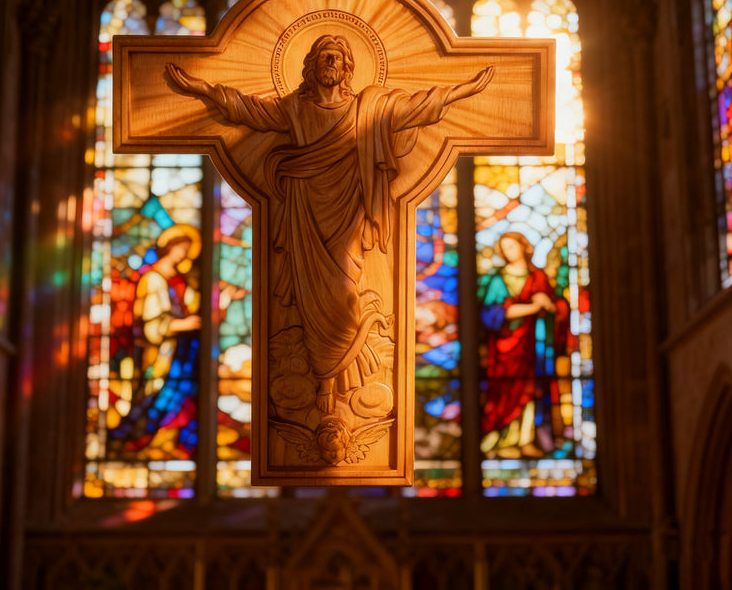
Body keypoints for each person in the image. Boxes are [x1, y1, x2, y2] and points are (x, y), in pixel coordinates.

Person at [167, 34, 493, 413]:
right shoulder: (294, 109)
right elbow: (247, 110)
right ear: (311, 65)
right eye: (325, 58)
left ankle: (339, 373)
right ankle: (325, 382)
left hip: (347, 214)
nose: (332, 65)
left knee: (343, 291)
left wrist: (460, 92)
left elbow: (414, 109)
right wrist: (202, 88)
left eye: (338, 58)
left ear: (348, 67)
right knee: (310, 299)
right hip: (304, 213)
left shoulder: (368, 108)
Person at [109, 224, 202, 457]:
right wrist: (184, 325)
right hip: (158, 352)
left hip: (179, 352)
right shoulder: (153, 278)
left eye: (186, 249)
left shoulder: (178, 280)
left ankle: (165, 439)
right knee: (152, 393)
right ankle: (132, 438)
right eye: (180, 248)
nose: (183, 254)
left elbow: (192, 308)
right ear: (168, 247)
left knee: (176, 396)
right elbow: (151, 323)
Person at [478, 231, 568, 458]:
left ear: (523, 246)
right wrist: (533, 307)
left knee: (533, 390)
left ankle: (527, 439)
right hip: (506, 349)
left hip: (535, 346)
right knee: (508, 392)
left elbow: (557, 309)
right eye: (504, 248)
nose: (508, 251)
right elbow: (490, 314)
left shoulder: (538, 277)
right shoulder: (498, 279)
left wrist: (551, 307)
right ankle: (504, 439)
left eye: (512, 246)